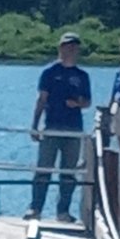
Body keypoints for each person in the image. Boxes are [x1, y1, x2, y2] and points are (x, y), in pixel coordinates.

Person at [30, 32, 93, 221]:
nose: (71, 50)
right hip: (52, 126)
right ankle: (35, 208)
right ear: (61, 48)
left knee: (68, 172)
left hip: (73, 128)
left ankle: (63, 211)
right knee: (44, 169)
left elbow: (88, 102)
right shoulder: (49, 72)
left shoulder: (82, 76)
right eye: (67, 46)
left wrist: (79, 103)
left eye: (74, 47)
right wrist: (35, 124)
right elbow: (42, 99)